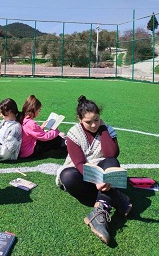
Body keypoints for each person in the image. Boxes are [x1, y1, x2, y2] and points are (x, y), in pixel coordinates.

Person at [56, 95, 132, 245]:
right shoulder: (73, 133)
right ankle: (113, 196)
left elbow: (112, 154)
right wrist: (96, 179)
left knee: (112, 162)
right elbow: (78, 163)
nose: (93, 125)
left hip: (103, 172)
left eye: (96, 120)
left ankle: (99, 213)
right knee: (67, 176)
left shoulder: (107, 129)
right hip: (82, 173)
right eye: (88, 122)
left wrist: (103, 128)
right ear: (79, 119)